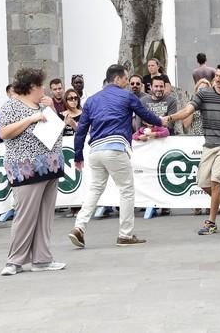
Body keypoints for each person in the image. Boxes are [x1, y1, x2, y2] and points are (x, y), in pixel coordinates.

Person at [68, 64, 165, 248]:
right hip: (115, 147)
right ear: (118, 78)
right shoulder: (127, 95)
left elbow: (81, 130)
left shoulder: (91, 100)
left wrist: (78, 155)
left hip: (95, 150)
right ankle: (125, 235)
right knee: (126, 190)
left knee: (95, 190)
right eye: (126, 79)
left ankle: (79, 227)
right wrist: (160, 121)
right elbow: (143, 113)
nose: (128, 83)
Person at [160, 63, 220, 235]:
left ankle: (211, 223)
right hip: (210, 144)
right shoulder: (204, 94)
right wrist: (170, 118)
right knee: (203, 184)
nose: (218, 79)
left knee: (215, 182)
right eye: (216, 76)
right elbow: (187, 110)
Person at [0, 68, 66, 276]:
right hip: (25, 169)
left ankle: (42, 259)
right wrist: (30, 119)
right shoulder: (11, 106)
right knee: (25, 215)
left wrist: (51, 108)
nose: (43, 89)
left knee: (45, 216)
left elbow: (57, 126)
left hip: (50, 165)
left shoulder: (42, 104)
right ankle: (14, 261)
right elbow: (4, 133)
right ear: (31, 87)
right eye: (40, 86)